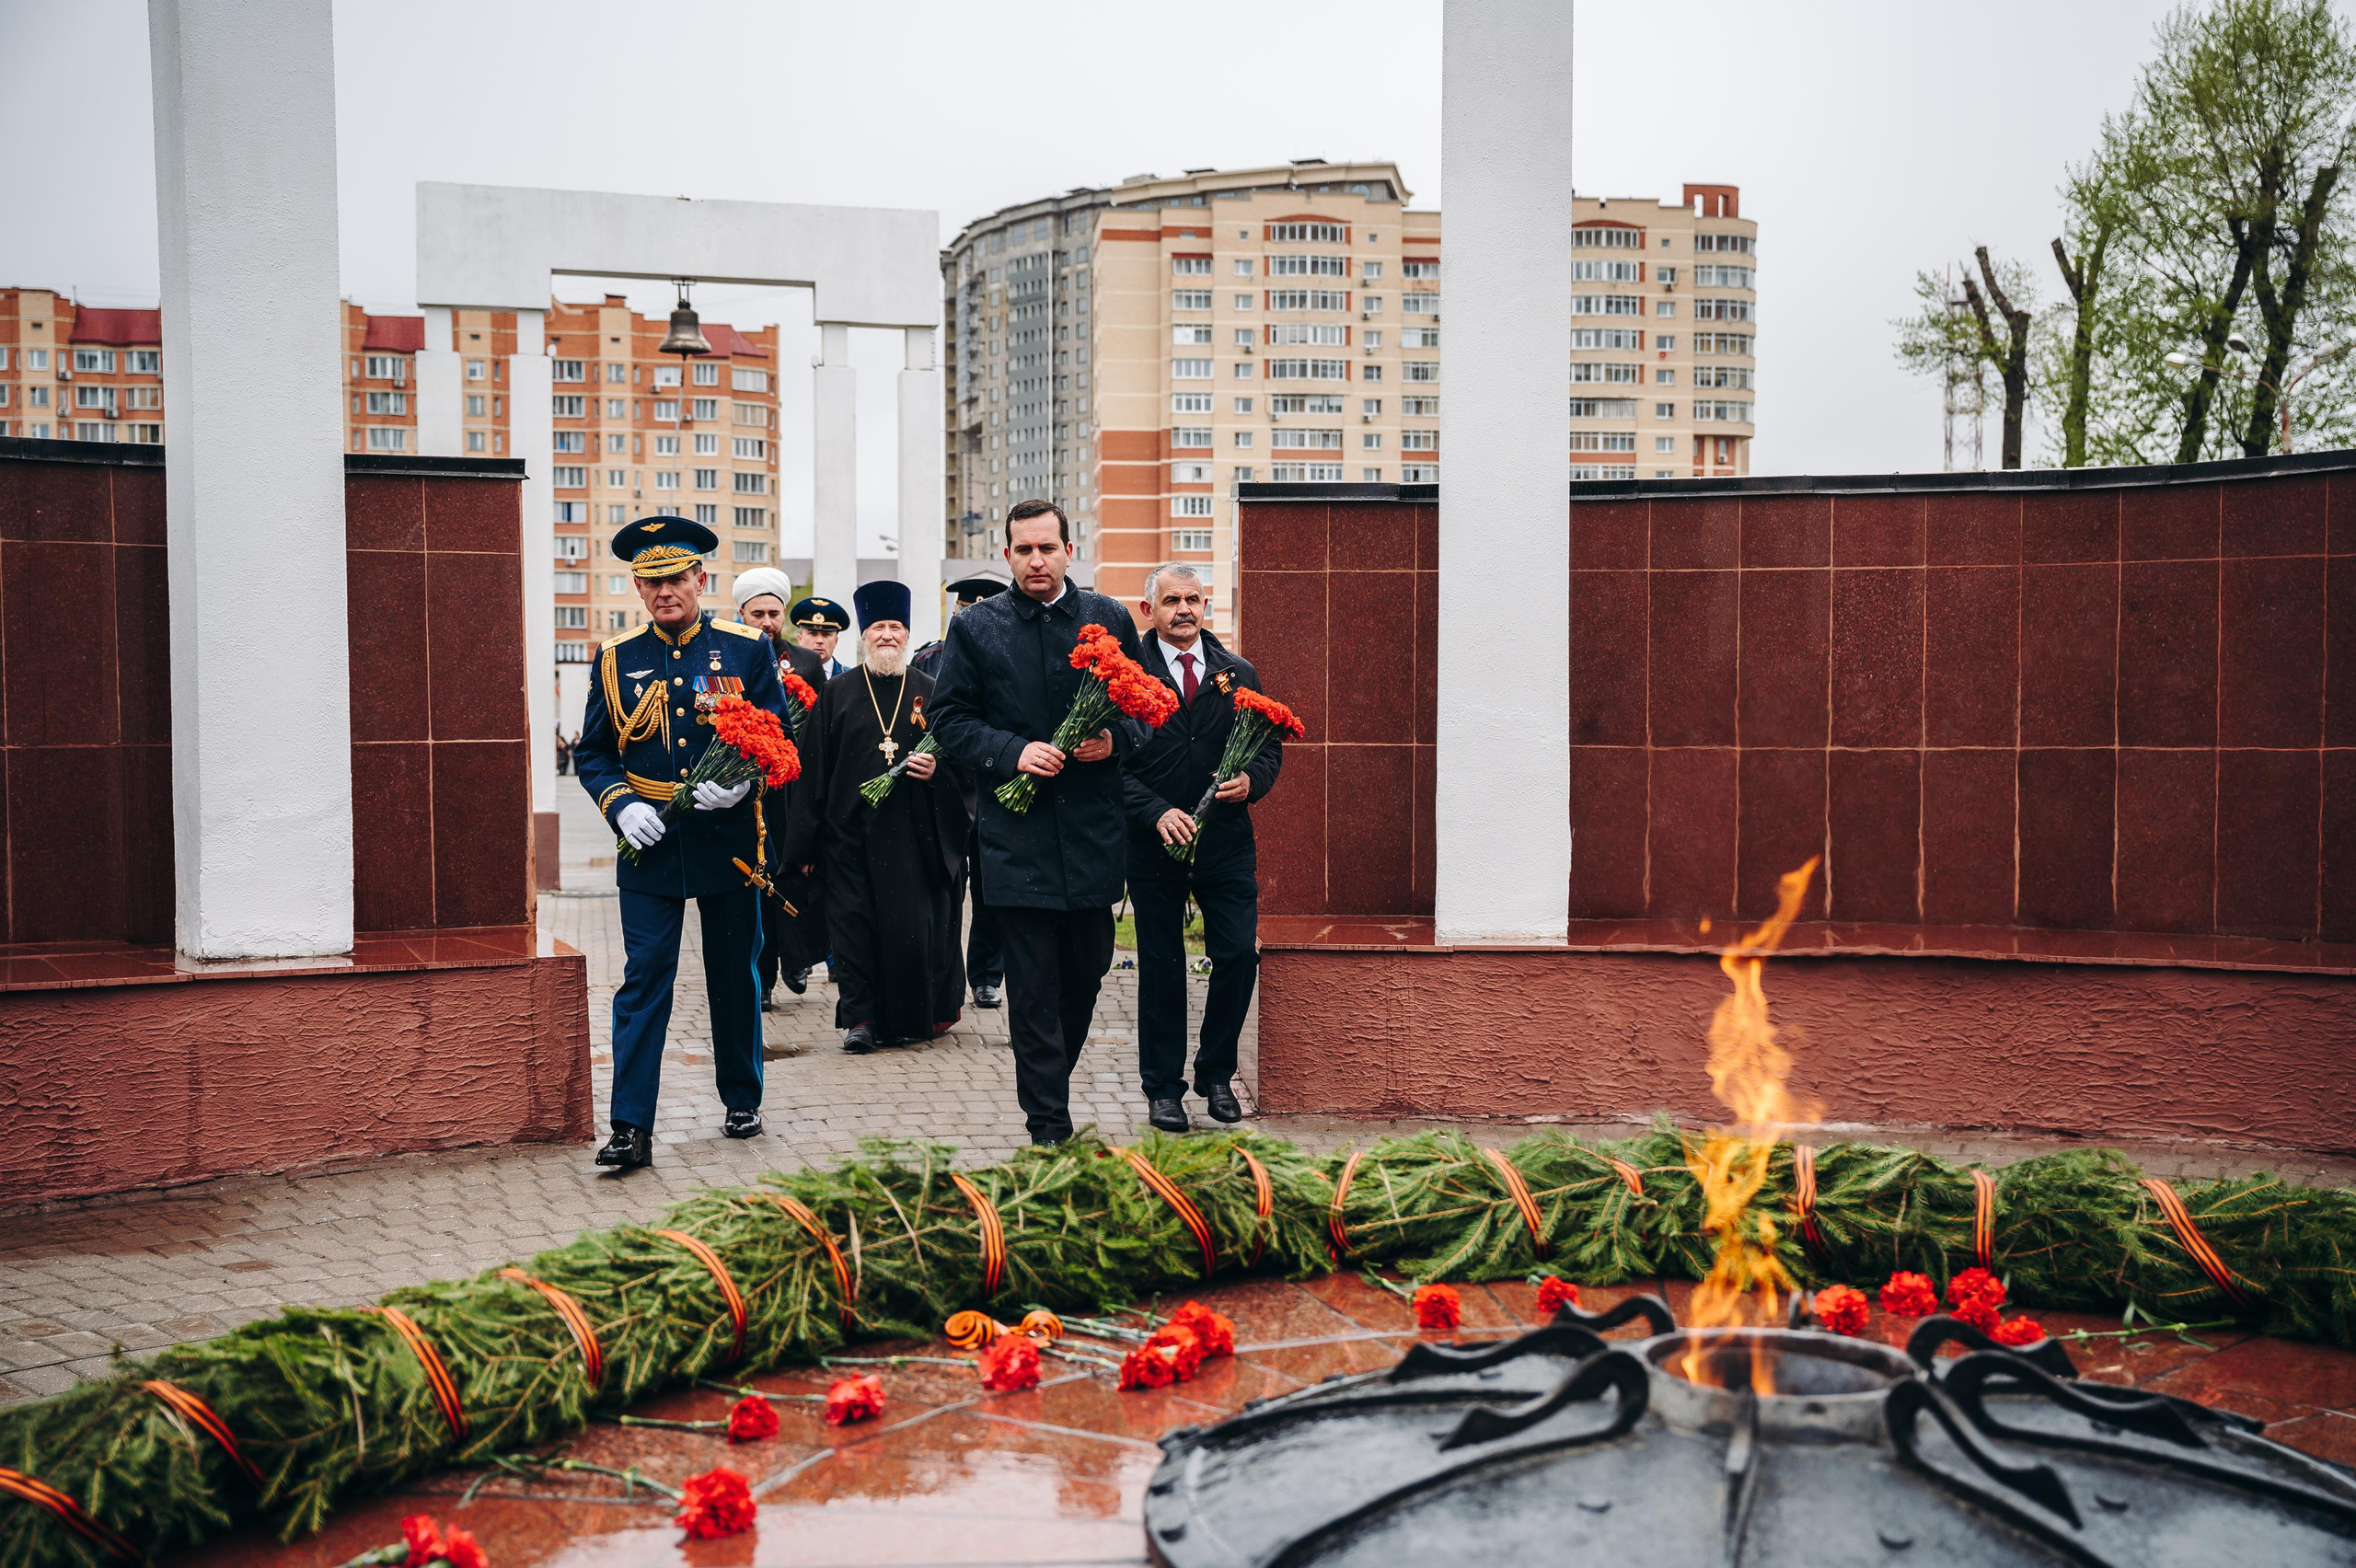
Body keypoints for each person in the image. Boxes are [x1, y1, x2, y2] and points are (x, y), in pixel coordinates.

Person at [930, 499, 1149, 1146]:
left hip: (1091, 836)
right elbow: (949, 719)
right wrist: (1012, 753)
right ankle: (1048, 1123)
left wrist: (1114, 741)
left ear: (1069, 552)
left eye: (1047, 548)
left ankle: (1051, 1083)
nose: (1036, 561)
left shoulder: (1109, 618)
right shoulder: (978, 627)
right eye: (1023, 550)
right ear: (1007, 556)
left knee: (1086, 973)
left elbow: (1146, 709)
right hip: (1015, 838)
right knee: (1031, 990)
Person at [572, 515, 790, 1170]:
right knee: (644, 979)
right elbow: (593, 752)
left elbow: (779, 738)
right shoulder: (617, 657)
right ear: (638, 588)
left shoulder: (745, 648)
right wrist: (620, 805)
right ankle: (630, 1126)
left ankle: (742, 1097)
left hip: (727, 838)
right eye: (652, 581)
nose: (665, 591)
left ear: (700, 578)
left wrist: (745, 782)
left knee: (734, 974)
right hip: (650, 843)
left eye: (676, 578)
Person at [1121, 563, 1284, 1133]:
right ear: (1149, 610)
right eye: (1172, 601)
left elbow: (1268, 749)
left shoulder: (1237, 673)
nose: (1184, 610)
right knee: (1161, 968)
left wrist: (1251, 781)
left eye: (1193, 599)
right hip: (1155, 845)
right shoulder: (1127, 676)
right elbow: (1111, 765)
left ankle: (1216, 1074)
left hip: (1225, 844)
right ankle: (1163, 1089)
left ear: (1205, 606)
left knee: (1238, 955)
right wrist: (1154, 811)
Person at [807, 579, 970, 1053]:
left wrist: (937, 771)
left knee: (907, 932)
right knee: (853, 928)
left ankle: (904, 1019)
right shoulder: (835, 694)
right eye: (878, 627)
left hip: (913, 841)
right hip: (848, 836)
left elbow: (962, 766)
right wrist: (806, 844)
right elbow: (814, 772)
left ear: (907, 634)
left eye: (895, 627)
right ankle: (860, 1020)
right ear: (863, 635)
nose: (887, 635)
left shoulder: (933, 693)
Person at [732, 567, 827, 1010]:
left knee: (794, 875)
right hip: (746, 789)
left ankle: (797, 959)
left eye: (774, 614)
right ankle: (764, 978)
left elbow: (820, 728)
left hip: (793, 790)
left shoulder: (806, 663)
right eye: (758, 614)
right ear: (742, 614)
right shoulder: (728, 655)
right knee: (758, 880)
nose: (767, 622)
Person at [915, 574, 1010, 1010]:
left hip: (994, 789)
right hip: (945, 790)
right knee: (944, 886)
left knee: (991, 889)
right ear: (954, 614)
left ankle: (987, 976)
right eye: (963, 612)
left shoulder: (1010, 657)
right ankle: (941, 973)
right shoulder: (929, 659)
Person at [791, 595, 851, 678]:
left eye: (826, 635)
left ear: (836, 641)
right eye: (813, 634)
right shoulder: (786, 674)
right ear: (800, 639)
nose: (820, 641)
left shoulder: (850, 678)